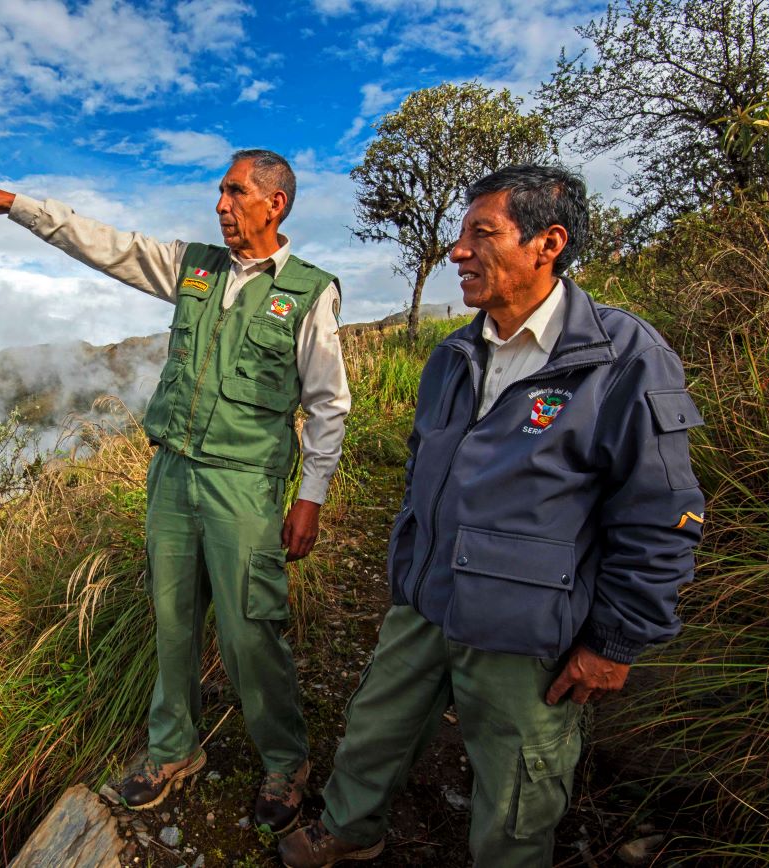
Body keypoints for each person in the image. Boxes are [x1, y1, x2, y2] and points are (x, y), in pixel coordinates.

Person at [279, 164, 705, 868]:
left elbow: (661, 514)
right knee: (375, 728)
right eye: (460, 233)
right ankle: (351, 830)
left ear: (549, 243)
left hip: (525, 627)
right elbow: (424, 471)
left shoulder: (623, 359)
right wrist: (410, 562)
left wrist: (616, 641)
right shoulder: (451, 356)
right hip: (425, 600)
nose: (458, 252)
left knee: (517, 788)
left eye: (483, 232)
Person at [0, 149, 350, 833]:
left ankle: (285, 763)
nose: (220, 205)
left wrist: (309, 496)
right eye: (220, 192)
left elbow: (329, 404)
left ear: (274, 204)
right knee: (172, 621)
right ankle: (173, 751)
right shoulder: (194, 268)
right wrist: (16, 206)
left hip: (245, 486)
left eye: (235, 192)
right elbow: (105, 245)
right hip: (172, 476)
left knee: (253, 631)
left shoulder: (309, 291)